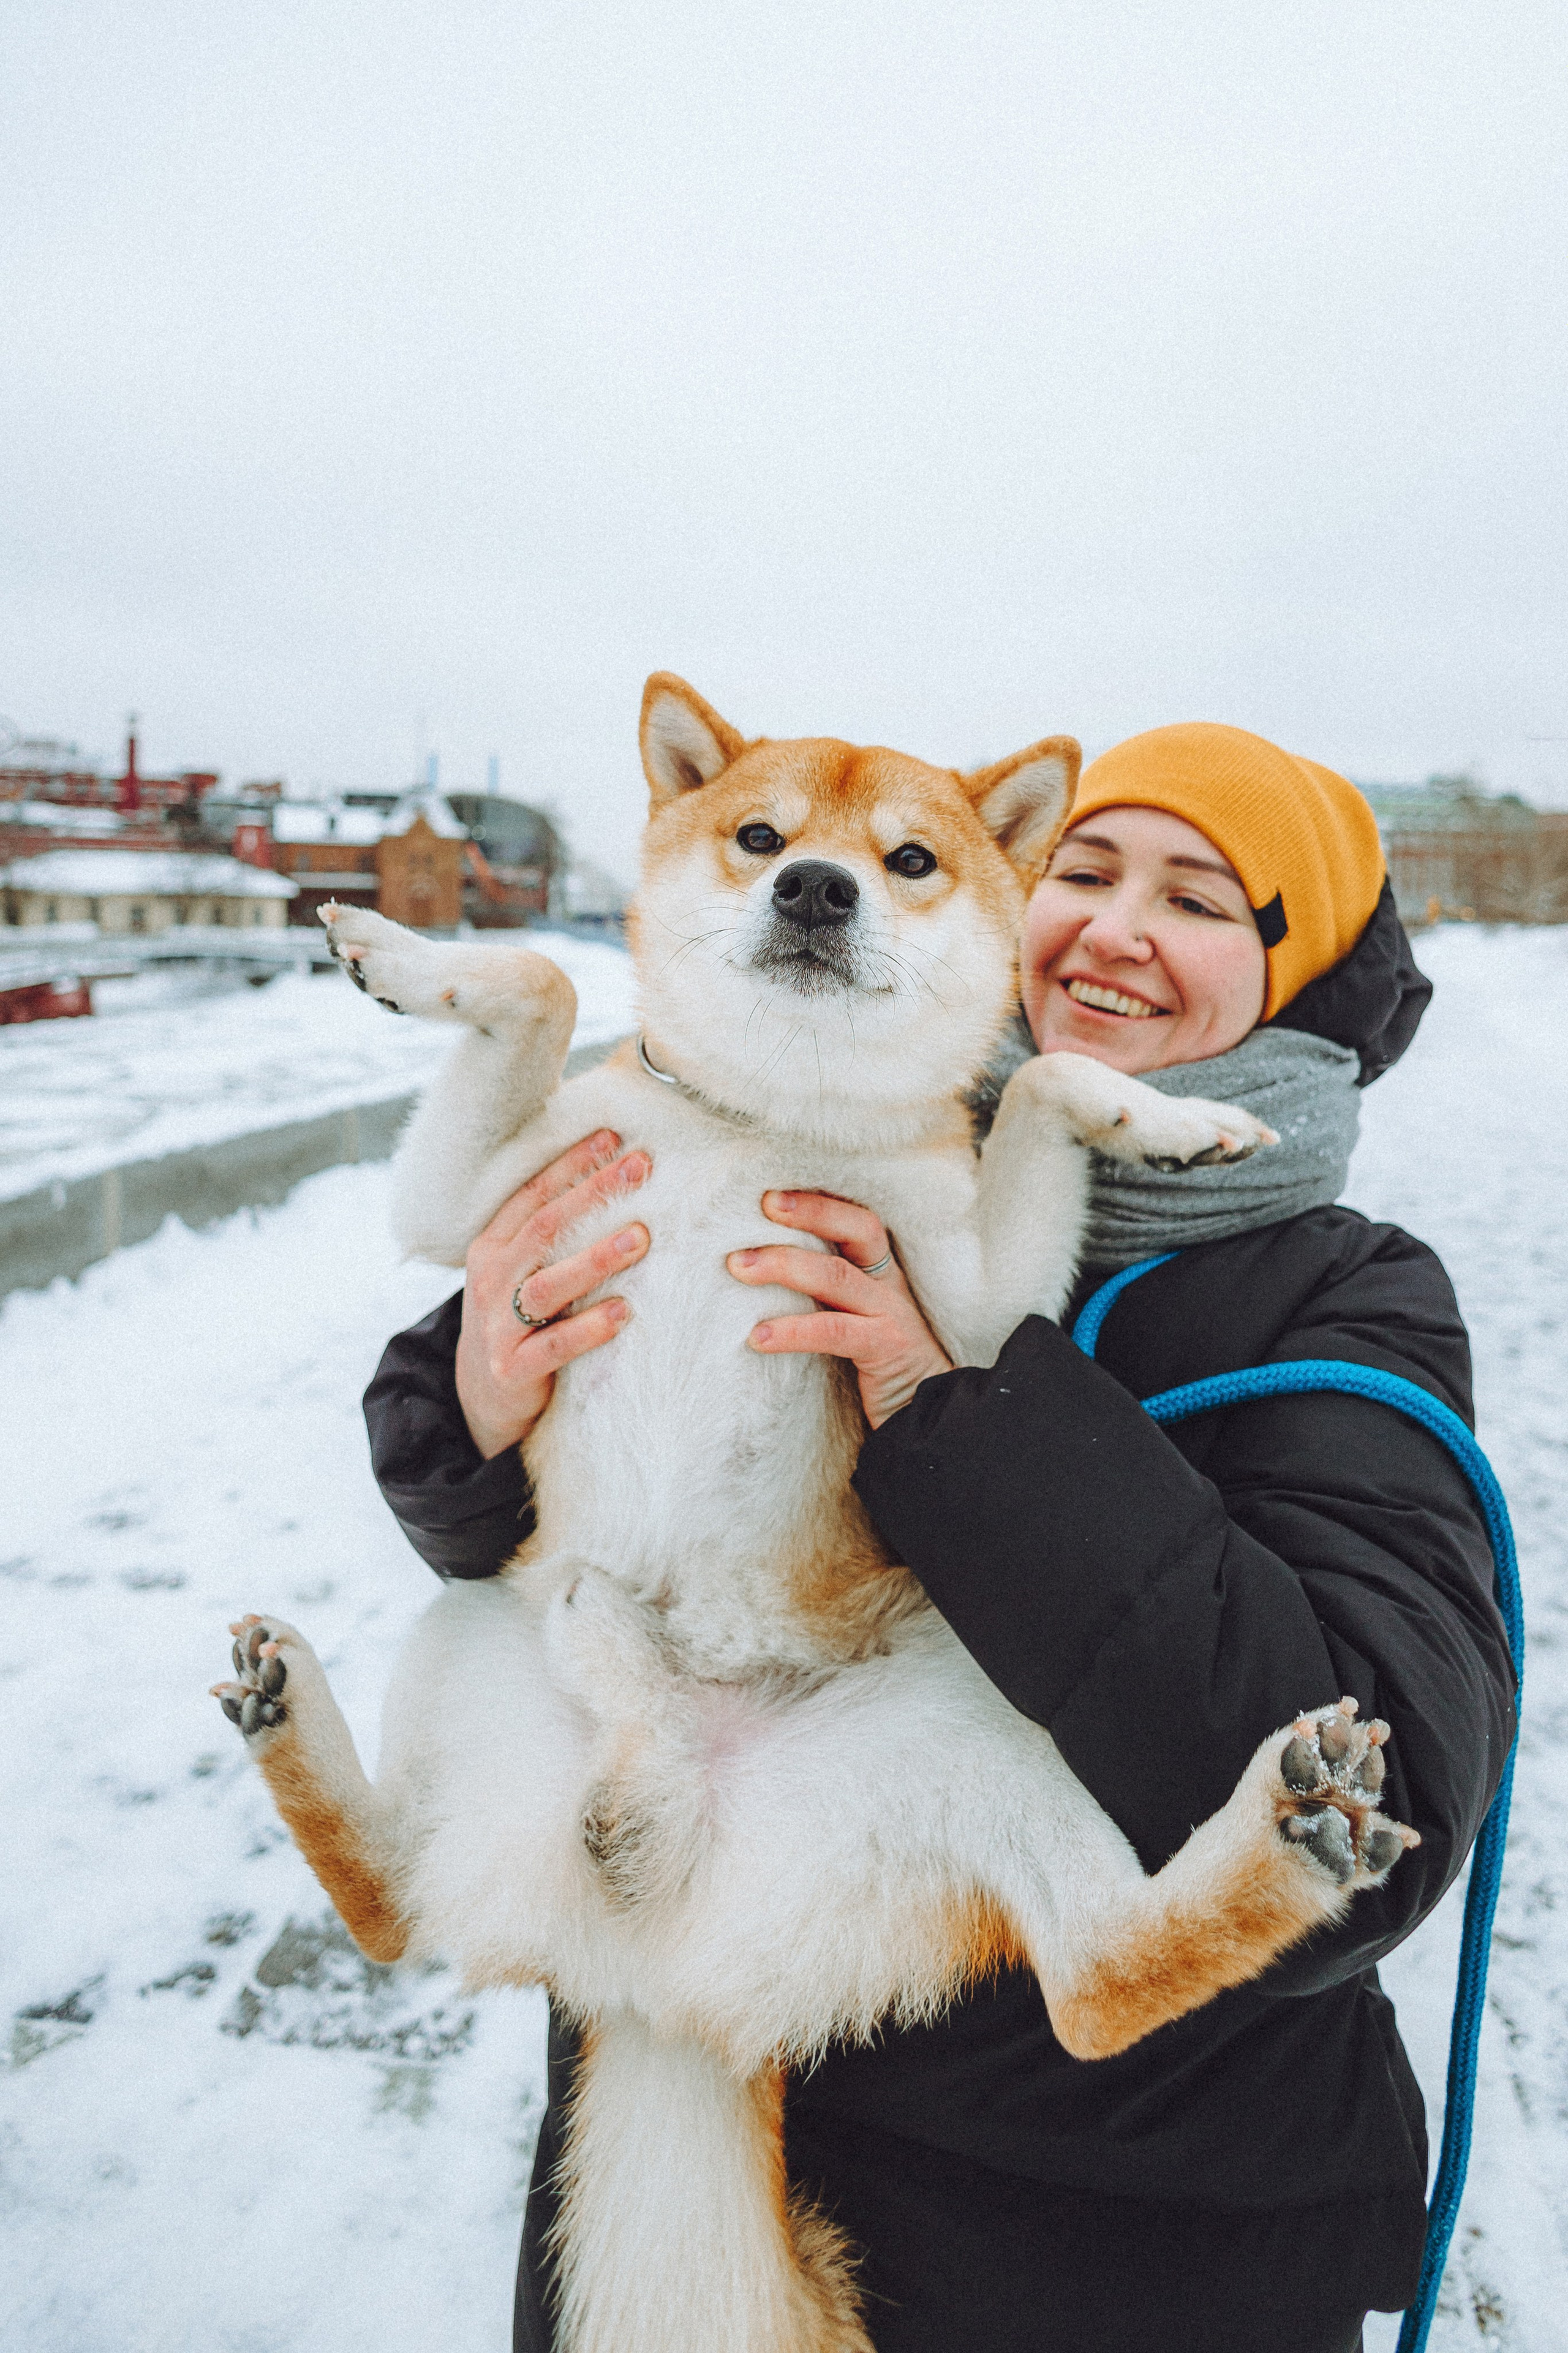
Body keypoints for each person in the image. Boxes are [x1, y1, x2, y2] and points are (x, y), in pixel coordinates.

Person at [363, 722, 1516, 2353]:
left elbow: (1370, 1789)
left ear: (1302, 974)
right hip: (702, 2049)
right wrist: (465, 1402)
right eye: (1090, 871)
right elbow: (546, 1474)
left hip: (1110, 2246)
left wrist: (953, 1402)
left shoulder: (1346, 1294)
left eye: (1199, 898)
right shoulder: (847, 1124)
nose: (1116, 923)